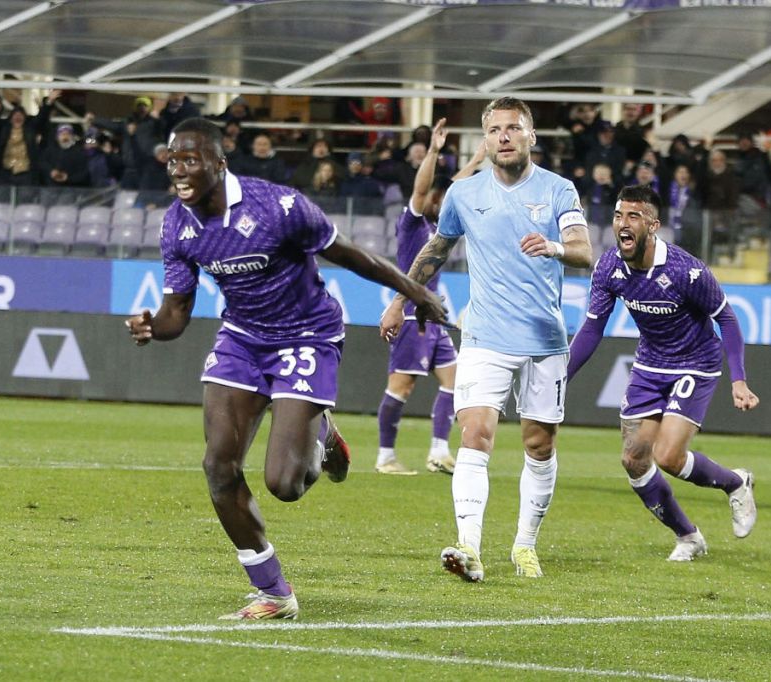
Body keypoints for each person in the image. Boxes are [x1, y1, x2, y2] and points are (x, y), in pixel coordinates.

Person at [125, 118, 447, 620]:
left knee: (285, 485)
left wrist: (415, 292)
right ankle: (274, 591)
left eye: (191, 160)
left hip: (307, 335)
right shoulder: (177, 225)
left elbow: (351, 255)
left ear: (219, 163)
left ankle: (322, 435)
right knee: (217, 466)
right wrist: (152, 327)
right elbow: (176, 314)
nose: (180, 171)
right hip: (242, 339)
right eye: (173, 161)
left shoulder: (277, 206)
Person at [380, 97, 593, 581]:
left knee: (539, 445)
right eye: (495, 128)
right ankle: (468, 547)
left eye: (513, 128)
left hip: (543, 338)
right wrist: (401, 299)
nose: (504, 136)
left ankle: (524, 545)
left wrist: (555, 247)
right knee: (475, 434)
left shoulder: (559, 190)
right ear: (486, 138)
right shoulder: (463, 194)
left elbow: (584, 251)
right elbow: (436, 249)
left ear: (531, 136)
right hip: (484, 335)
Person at [566, 184, 758, 561]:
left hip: (696, 364)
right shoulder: (609, 267)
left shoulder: (686, 271)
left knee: (669, 456)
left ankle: (736, 482)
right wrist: (561, 378)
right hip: (650, 364)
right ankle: (688, 536)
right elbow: (591, 329)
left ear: (653, 225)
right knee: (634, 459)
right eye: (619, 215)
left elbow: (728, 321)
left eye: (633, 216)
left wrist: (738, 379)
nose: (623, 223)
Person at [375, 119, 483, 476]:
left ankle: (439, 451)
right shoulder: (412, 225)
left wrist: (479, 158)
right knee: (401, 387)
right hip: (408, 315)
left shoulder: (438, 228)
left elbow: (453, 188)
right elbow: (422, 192)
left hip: (434, 317)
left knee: (454, 382)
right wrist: (435, 152)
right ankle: (385, 457)